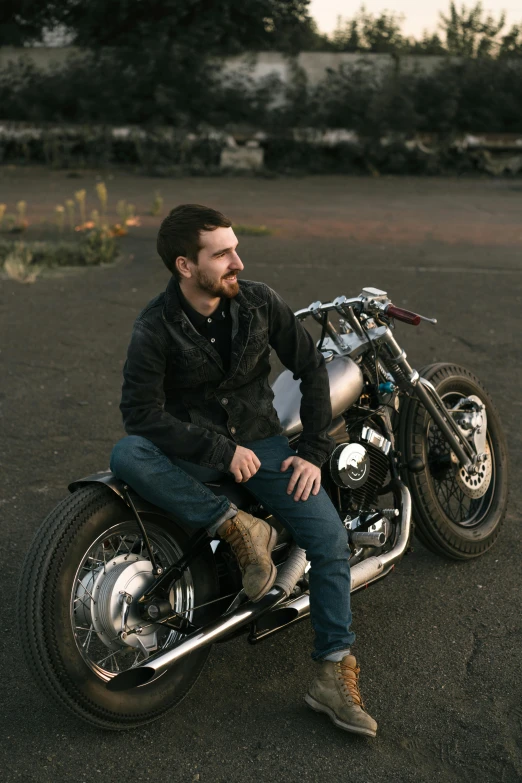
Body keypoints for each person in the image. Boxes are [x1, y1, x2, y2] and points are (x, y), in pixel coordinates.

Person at [110, 204, 377, 738]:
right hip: (198, 449)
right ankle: (237, 527)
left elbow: (310, 367)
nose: (238, 260)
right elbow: (140, 413)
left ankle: (330, 675)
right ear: (186, 266)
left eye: (236, 247)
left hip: (266, 443)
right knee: (126, 452)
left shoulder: (259, 300)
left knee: (328, 544)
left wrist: (315, 450)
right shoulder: (155, 325)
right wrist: (217, 449)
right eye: (223, 253)